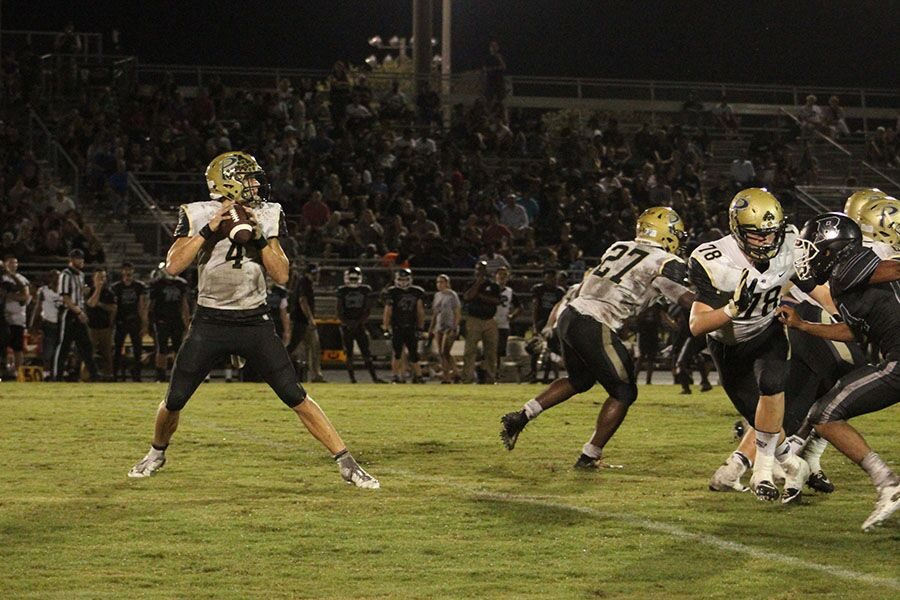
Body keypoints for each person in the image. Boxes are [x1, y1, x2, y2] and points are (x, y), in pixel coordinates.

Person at [127, 151, 378, 489]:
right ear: (226, 179)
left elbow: (282, 275)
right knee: (174, 399)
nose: (257, 184)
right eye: (249, 177)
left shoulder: (268, 213)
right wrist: (211, 227)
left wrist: (259, 236)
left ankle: (347, 463)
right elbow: (173, 266)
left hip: (254, 320)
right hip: (210, 321)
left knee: (295, 394)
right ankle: (156, 452)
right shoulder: (197, 211)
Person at [500, 208, 694, 468]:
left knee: (580, 380)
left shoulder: (619, 246)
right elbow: (685, 299)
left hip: (571, 316)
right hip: (594, 321)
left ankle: (522, 415)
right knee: (624, 391)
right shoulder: (663, 262)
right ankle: (589, 455)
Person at [688, 188, 836, 502]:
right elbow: (697, 325)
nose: (767, 241)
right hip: (728, 346)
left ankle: (762, 474)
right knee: (764, 423)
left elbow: (814, 287)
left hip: (767, 333)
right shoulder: (713, 258)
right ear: (737, 229)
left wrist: (841, 313)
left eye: (772, 233)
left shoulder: (790, 243)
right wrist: (731, 309)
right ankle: (791, 463)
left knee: (773, 382)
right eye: (757, 235)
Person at [780, 212, 900, 529]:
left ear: (832, 247)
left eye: (812, 247)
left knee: (824, 415)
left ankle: (888, 484)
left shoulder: (850, 266)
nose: (807, 254)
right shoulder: (844, 283)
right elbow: (854, 333)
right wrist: (803, 324)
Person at [53, 249, 100, 382]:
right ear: (72, 259)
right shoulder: (66, 274)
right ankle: (57, 376)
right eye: (78, 259)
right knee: (64, 345)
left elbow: (78, 296)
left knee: (86, 345)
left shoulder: (80, 275)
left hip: (79, 313)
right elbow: (65, 297)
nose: (81, 261)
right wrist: (78, 311)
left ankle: (94, 375)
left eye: (82, 258)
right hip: (69, 313)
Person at [336, 267, 382, 383]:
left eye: (354, 278)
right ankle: (352, 379)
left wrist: (358, 322)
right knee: (349, 353)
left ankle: (374, 378)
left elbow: (367, 309)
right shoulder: (342, 291)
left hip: (358, 325)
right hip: (348, 325)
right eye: (351, 278)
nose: (352, 280)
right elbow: (339, 309)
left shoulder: (365, 290)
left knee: (366, 352)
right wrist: (348, 322)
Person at [382, 268, 426, 384]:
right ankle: (395, 376)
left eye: (405, 279)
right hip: (397, 326)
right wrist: (386, 327)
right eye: (400, 279)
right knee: (397, 352)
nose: (403, 282)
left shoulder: (417, 292)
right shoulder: (392, 292)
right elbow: (388, 311)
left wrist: (420, 327)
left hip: (411, 326)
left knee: (413, 353)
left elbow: (420, 311)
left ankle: (418, 376)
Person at [462, 261, 502, 384]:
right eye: (479, 269)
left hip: (489, 320)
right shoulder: (470, 284)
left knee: (491, 351)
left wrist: (481, 296)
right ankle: (467, 378)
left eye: (483, 269)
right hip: (474, 320)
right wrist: (478, 283)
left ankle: (491, 378)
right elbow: (468, 297)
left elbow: (496, 300)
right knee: (470, 351)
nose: (480, 272)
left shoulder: (493, 286)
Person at [148, 268, 190, 383]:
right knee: (162, 348)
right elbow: (151, 305)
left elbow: (184, 305)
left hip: (176, 320)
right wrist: (150, 322)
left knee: (178, 349)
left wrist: (186, 323)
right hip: (161, 320)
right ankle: (160, 375)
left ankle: (177, 375)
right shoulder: (157, 284)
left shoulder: (181, 284)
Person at [288, 263, 325, 383]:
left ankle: (316, 375)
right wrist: (310, 318)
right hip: (301, 321)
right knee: (295, 347)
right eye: (315, 274)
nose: (317, 276)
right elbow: (303, 300)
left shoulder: (304, 282)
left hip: (300, 320)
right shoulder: (304, 283)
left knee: (313, 346)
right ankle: (281, 371)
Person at [111, 262, 148, 382]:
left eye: (130, 270)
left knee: (137, 349)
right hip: (121, 321)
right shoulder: (116, 287)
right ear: (122, 272)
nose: (127, 273)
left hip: (134, 320)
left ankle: (137, 375)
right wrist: (112, 323)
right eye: (125, 270)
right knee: (117, 349)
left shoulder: (139, 286)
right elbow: (114, 306)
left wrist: (144, 323)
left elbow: (141, 306)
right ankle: (115, 375)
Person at [528, 269, 565, 383]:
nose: (550, 280)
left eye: (552, 277)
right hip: (541, 322)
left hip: (553, 324)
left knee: (552, 350)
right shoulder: (539, 289)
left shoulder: (559, 291)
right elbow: (535, 307)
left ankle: (547, 376)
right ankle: (533, 373)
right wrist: (534, 325)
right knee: (535, 349)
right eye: (548, 277)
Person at [85, 268, 117, 380]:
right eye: (99, 277)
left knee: (107, 353)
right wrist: (97, 289)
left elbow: (113, 308)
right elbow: (91, 304)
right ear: (93, 278)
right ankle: (88, 375)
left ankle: (108, 375)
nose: (102, 280)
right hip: (91, 327)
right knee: (89, 353)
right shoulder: (88, 291)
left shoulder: (109, 292)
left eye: (103, 277)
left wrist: (101, 304)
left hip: (105, 327)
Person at [429, 274, 461, 384]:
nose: (439, 284)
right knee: (443, 353)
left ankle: (447, 376)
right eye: (438, 282)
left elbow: (457, 311)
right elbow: (435, 313)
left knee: (444, 351)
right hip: (439, 326)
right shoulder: (437, 295)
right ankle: (455, 373)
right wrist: (431, 328)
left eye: (442, 282)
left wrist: (455, 326)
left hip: (449, 325)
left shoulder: (452, 295)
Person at [1, 255, 31, 374]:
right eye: (11, 263)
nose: (14, 265)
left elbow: (24, 297)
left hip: (17, 317)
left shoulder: (21, 279)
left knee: (17, 346)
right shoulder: (2, 278)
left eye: (15, 263)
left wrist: (8, 296)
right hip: (3, 316)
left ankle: (19, 373)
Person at [31, 270, 61, 379]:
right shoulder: (44, 291)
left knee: (60, 351)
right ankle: (47, 374)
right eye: (54, 277)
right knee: (48, 351)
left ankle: (57, 373)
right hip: (48, 323)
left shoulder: (65, 291)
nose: (57, 279)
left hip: (61, 324)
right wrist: (33, 325)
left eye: (58, 277)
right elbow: (38, 308)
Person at [494, 266, 522, 379]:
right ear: (495, 276)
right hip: (490, 322)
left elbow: (519, 307)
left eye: (504, 275)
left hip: (503, 324)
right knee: (490, 349)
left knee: (500, 350)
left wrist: (511, 315)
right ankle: (490, 372)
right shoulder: (491, 289)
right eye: (500, 274)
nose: (502, 277)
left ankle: (497, 372)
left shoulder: (509, 292)